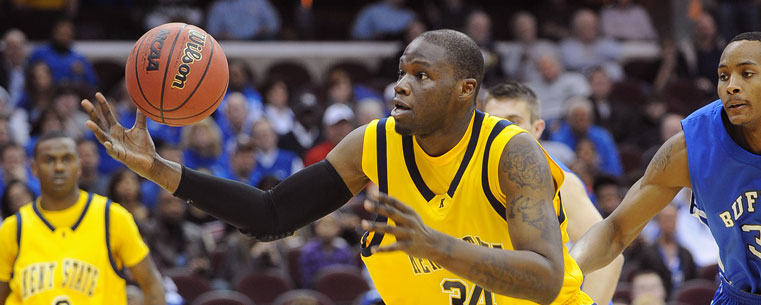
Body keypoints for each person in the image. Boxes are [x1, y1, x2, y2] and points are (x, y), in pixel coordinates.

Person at [83, 29, 593, 304]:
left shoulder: (511, 152)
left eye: (421, 75)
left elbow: (546, 280)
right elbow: (270, 216)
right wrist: (157, 168)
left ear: (466, 89)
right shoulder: (373, 144)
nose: (401, 85)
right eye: (400, 73)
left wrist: (437, 246)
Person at [569, 32, 761, 303]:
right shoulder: (690, 148)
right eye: (723, 76)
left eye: (747, 73)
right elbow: (616, 231)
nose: (731, 86)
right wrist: (563, 273)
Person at [482, 81, 623, 305]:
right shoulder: (474, 175)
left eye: (513, 121)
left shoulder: (560, 182)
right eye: (493, 122)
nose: (502, 131)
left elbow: (609, 258)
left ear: (537, 129)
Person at [0, 132, 165, 304]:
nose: (59, 167)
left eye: (67, 159)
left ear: (79, 165)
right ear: (34, 168)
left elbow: (152, 284)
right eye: (49, 160)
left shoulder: (112, 217)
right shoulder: (13, 228)